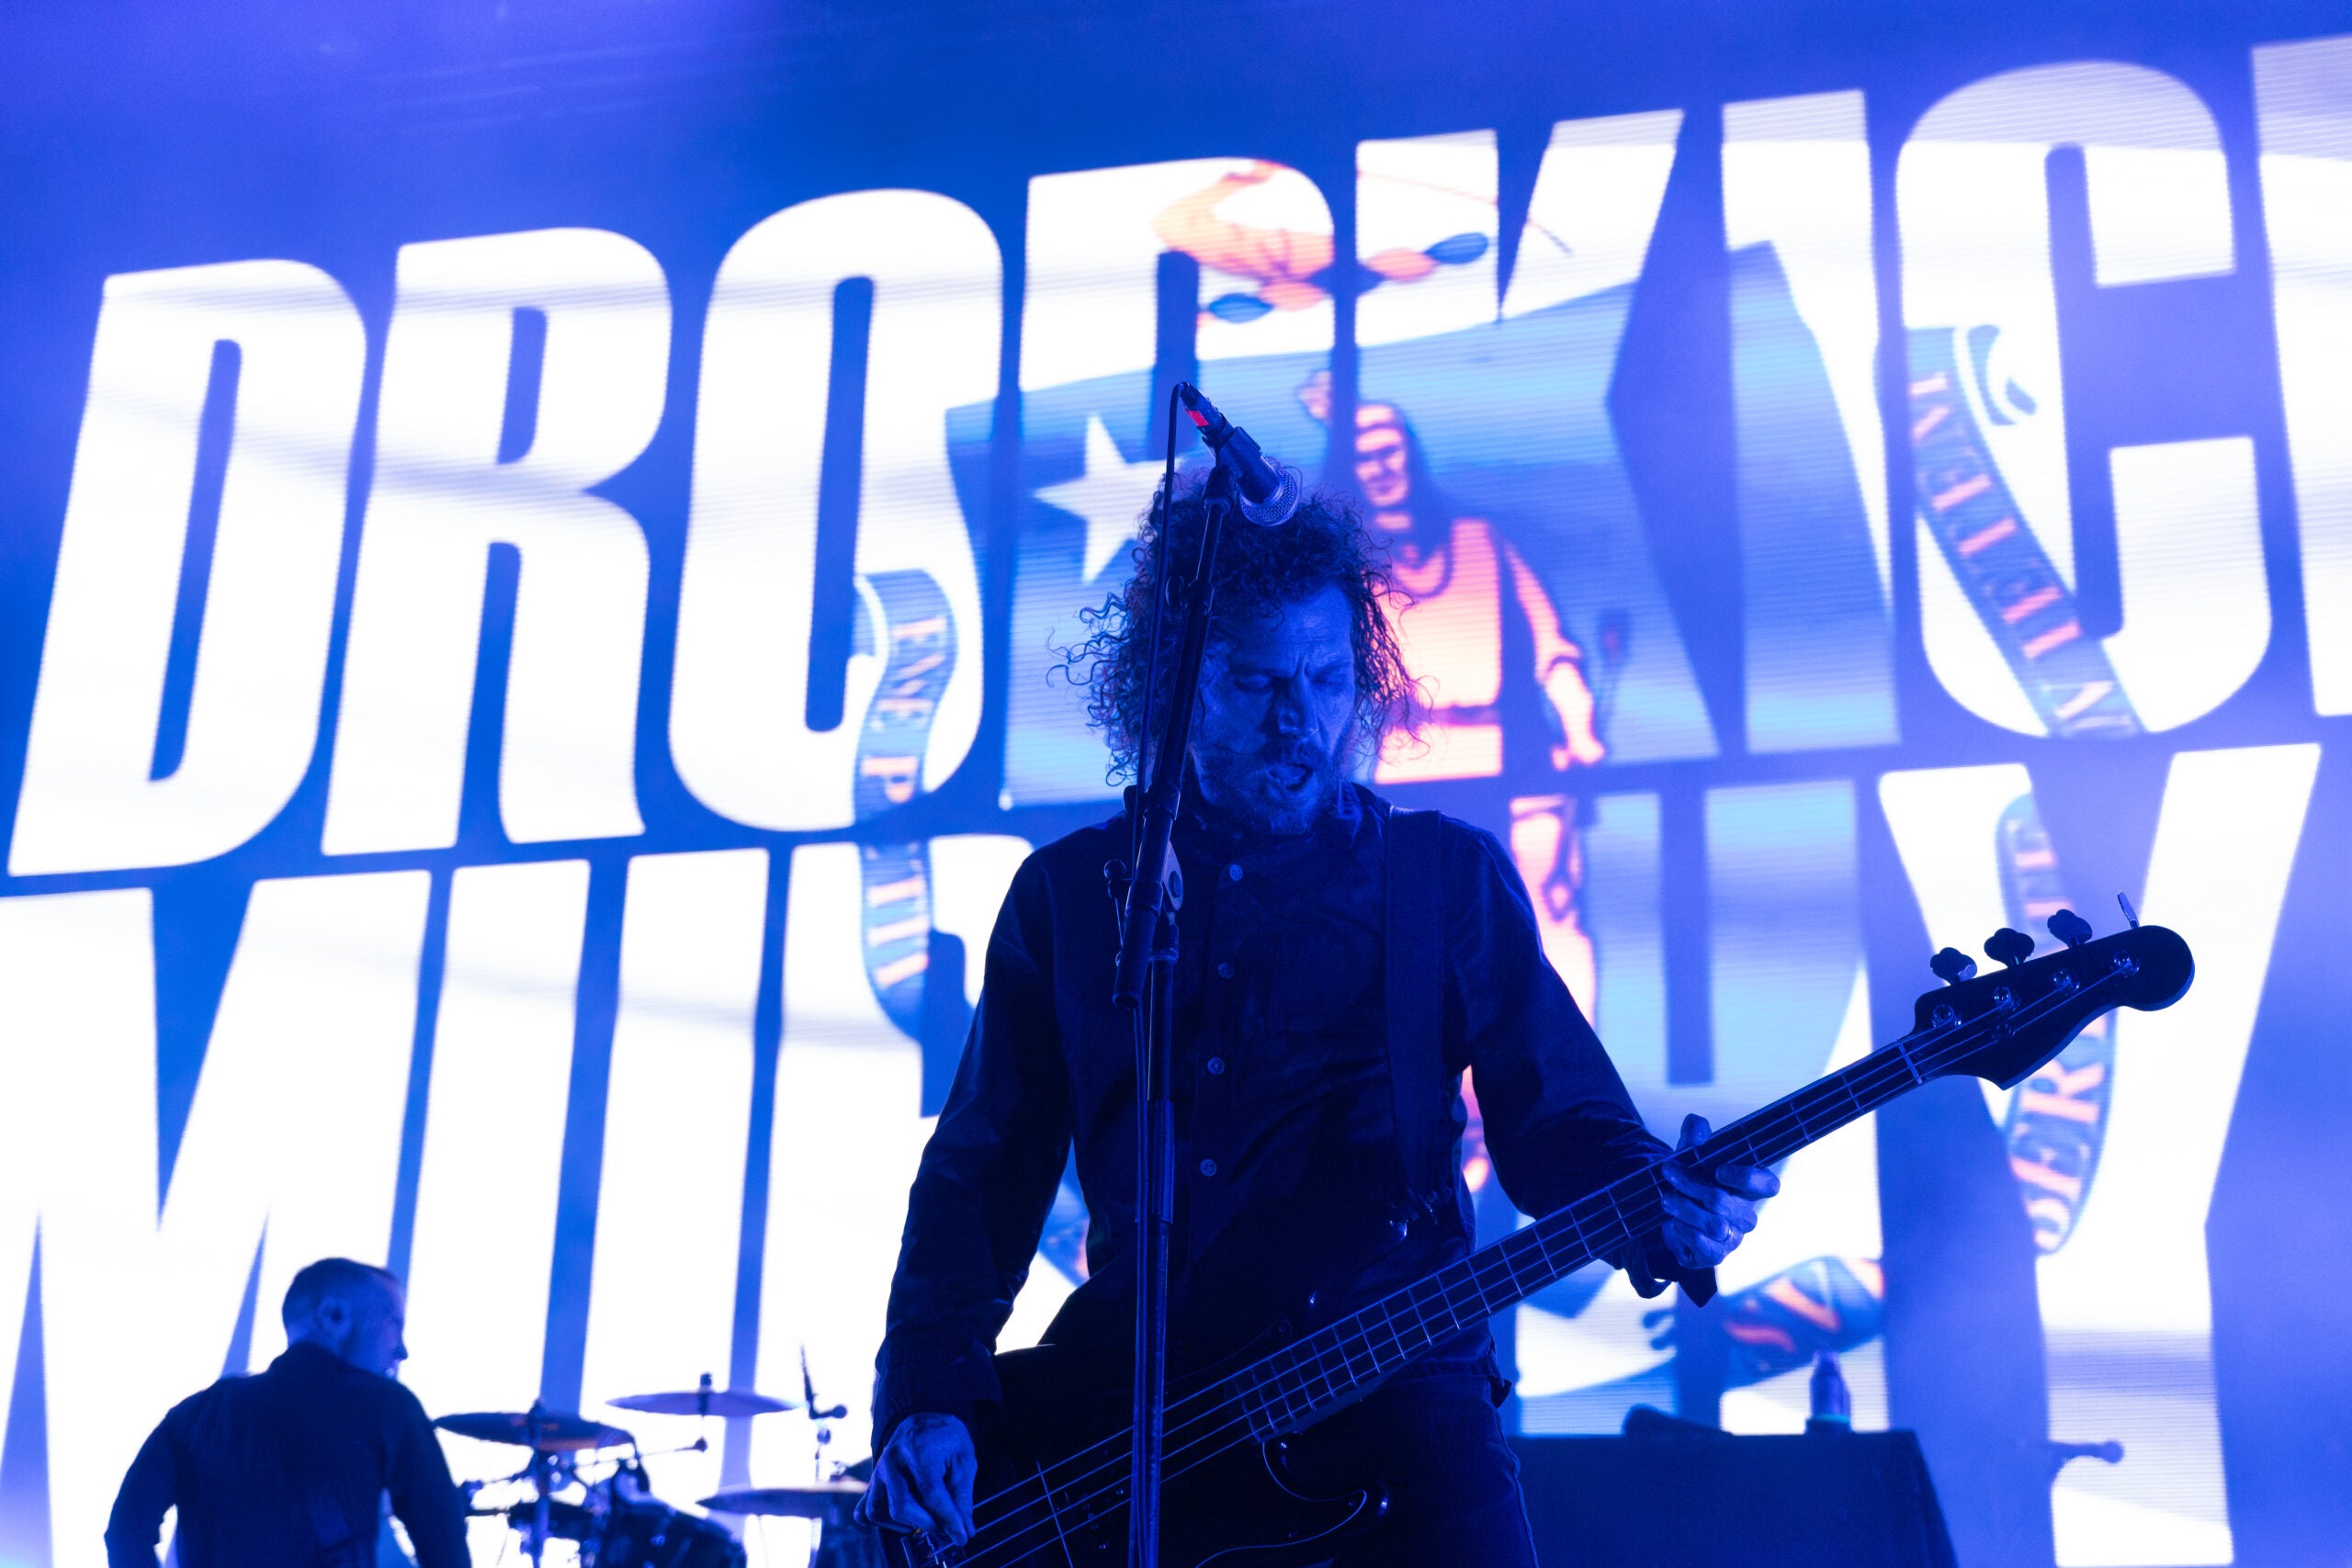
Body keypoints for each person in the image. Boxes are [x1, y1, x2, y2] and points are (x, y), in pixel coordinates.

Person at [863, 481, 1777, 1565]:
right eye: (1253, 683)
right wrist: (931, 1392)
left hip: (1398, 1411)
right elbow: (984, 1172)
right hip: (1138, 1424)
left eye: (1328, 678)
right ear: (1172, 685)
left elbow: (1560, 1126)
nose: (1299, 721)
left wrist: (1659, 1214)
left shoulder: (1440, 880)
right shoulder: (1070, 897)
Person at [106, 1258, 469, 1568]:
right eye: (394, 1323)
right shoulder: (390, 1405)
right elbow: (443, 1543)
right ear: (334, 1315)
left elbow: (125, 1530)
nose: (401, 1350)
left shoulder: (196, 1415)